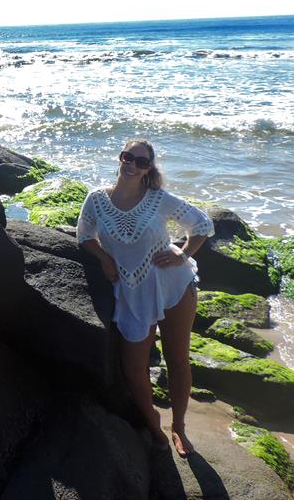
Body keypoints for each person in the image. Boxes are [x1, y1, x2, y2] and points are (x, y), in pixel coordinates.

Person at [76, 139, 214, 456]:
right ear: (120, 158)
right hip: (132, 291)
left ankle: (179, 427)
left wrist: (183, 255)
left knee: (177, 360)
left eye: (141, 162)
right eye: (128, 157)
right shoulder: (96, 199)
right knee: (133, 369)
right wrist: (103, 258)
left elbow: (202, 224)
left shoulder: (158, 199)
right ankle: (153, 421)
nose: (132, 165)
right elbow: (84, 235)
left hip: (174, 285)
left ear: (148, 168)